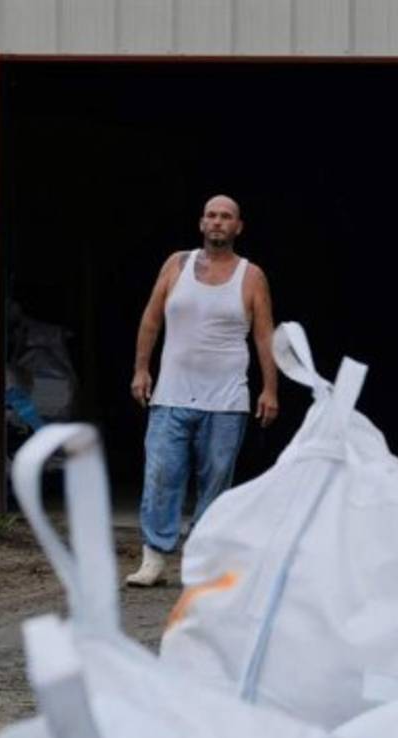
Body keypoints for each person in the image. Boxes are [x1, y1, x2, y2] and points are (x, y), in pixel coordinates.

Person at [126, 194, 278, 586]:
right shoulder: (176, 265)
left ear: (238, 227)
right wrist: (141, 369)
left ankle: (201, 559)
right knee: (161, 475)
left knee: (215, 483)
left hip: (226, 399)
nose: (217, 222)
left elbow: (265, 336)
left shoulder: (251, 276)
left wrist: (270, 389)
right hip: (171, 394)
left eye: (226, 216)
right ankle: (154, 558)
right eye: (211, 215)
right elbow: (151, 320)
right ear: (201, 223)